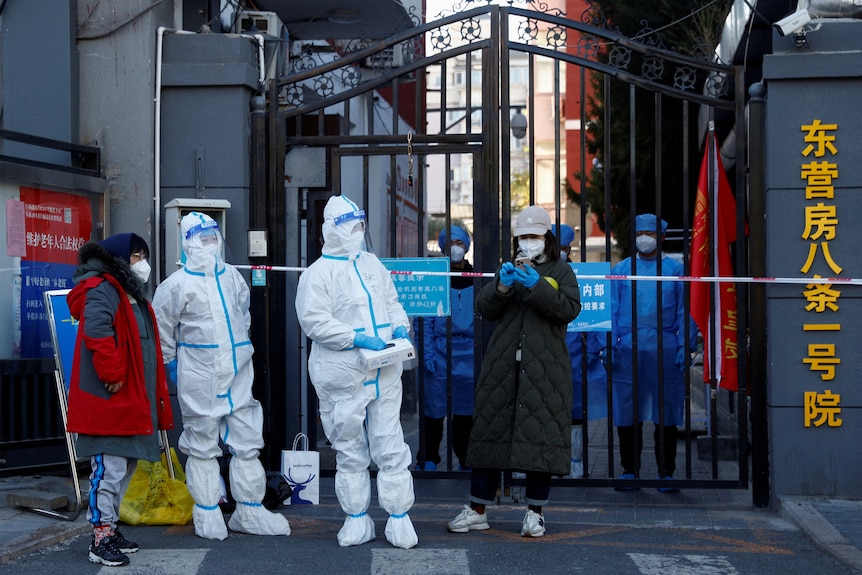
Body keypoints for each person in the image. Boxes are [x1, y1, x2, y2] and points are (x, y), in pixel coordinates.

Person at [152, 212, 290, 540]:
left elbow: (243, 313)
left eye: (214, 237)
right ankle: (208, 510)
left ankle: (250, 510)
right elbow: (162, 331)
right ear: (188, 243)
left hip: (238, 370)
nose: (211, 244)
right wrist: (171, 363)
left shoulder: (231, 276)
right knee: (202, 443)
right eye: (204, 239)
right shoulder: (175, 286)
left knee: (247, 440)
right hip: (199, 373)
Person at [448, 205, 580, 538]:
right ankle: (477, 509)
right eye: (523, 236)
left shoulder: (561, 271)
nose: (528, 242)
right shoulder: (508, 267)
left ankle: (535, 512)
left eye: (534, 236)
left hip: (544, 368)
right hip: (503, 365)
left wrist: (538, 285)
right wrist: (502, 286)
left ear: (546, 237)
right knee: (489, 434)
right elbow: (485, 308)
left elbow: (568, 310)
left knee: (541, 438)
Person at [294, 194, 418, 549]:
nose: (357, 232)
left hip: (384, 370)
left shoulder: (371, 264)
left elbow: (391, 301)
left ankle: (399, 517)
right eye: (350, 226)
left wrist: (398, 327)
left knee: (390, 443)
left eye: (359, 226)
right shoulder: (317, 275)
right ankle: (356, 518)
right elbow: (315, 321)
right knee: (349, 447)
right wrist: (355, 338)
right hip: (342, 374)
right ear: (330, 230)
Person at [66, 233, 174, 567]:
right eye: (137, 255)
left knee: (123, 464)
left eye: (144, 254)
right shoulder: (104, 289)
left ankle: (110, 530)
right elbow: (97, 332)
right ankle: (100, 536)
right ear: (118, 258)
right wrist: (112, 374)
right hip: (111, 397)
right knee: (108, 468)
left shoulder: (128, 292)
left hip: (131, 398)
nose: (142, 262)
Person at [609, 213, 694, 492]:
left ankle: (665, 472)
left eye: (651, 233)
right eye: (640, 233)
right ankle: (629, 470)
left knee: (666, 412)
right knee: (627, 411)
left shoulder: (674, 270)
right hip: (628, 348)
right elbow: (612, 310)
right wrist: (608, 344)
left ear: (662, 236)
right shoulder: (621, 269)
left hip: (665, 348)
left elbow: (686, 311)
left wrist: (686, 345)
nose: (645, 238)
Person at [417, 225, 476, 471]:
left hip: (470, 357)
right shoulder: (435, 278)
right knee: (433, 412)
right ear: (442, 247)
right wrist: (428, 354)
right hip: (440, 356)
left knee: (465, 415)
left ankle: (465, 458)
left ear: (467, 246)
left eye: (460, 243)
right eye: (450, 243)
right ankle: (428, 458)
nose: (455, 248)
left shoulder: (477, 278)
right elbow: (425, 321)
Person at [552, 223, 608, 478]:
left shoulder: (584, 276)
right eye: (557, 247)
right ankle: (548, 462)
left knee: (576, 414)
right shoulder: (538, 274)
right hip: (547, 353)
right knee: (548, 412)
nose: (561, 252)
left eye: (564, 248)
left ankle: (575, 461)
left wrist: (593, 349)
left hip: (578, 355)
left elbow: (597, 315)